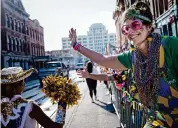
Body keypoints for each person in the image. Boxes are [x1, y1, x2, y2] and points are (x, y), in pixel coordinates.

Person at [69, 1, 178, 127]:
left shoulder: (170, 46)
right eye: (126, 28)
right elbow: (103, 60)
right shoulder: (132, 57)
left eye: (135, 25)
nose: (130, 31)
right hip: (159, 121)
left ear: (149, 26)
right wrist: (76, 46)